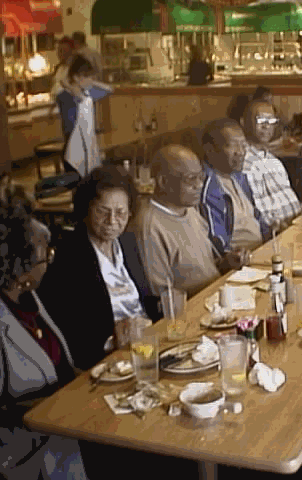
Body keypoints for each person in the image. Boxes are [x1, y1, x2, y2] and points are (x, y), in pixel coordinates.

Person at [0, 178, 89, 479]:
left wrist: (91, 382)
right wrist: (63, 404)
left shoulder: (30, 298)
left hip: (64, 446)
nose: (50, 261)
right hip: (24, 460)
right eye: (45, 257)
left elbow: (61, 366)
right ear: (19, 270)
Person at [37, 165, 160, 371]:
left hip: (145, 343)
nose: (112, 221)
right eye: (103, 211)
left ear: (130, 212)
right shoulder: (70, 256)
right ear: (87, 208)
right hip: (107, 359)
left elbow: (144, 298)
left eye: (120, 213)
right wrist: (112, 340)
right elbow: (70, 333)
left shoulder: (127, 242)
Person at [134, 145, 242, 298]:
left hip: (219, 292)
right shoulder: (150, 226)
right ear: (163, 182)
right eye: (191, 179)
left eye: (201, 177)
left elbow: (206, 266)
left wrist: (227, 263)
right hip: (196, 306)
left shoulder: (189, 208)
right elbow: (163, 297)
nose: (199, 185)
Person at [201, 118, 270, 253]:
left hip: (262, 250)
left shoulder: (239, 177)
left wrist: (272, 232)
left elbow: (255, 216)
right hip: (242, 263)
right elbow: (217, 244)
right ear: (210, 150)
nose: (241, 152)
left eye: (243, 145)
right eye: (233, 145)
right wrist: (234, 259)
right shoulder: (208, 187)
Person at [242, 99, 302, 229]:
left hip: (297, 226)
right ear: (243, 122)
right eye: (260, 120)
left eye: (271, 121)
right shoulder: (243, 164)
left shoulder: (274, 161)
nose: (266, 126)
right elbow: (256, 216)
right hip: (276, 236)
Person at [57, 55, 113, 176]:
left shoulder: (88, 92)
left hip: (90, 149)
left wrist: (92, 82)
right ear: (76, 77)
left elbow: (109, 89)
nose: (90, 80)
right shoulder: (64, 97)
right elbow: (70, 123)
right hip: (73, 152)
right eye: (87, 77)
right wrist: (70, 87)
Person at [50, 37, 74, 107]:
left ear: (71, 51)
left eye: (62, 50)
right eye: (58, 50)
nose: (59, 53)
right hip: (58, 106)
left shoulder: (75, 68)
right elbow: (54, 87)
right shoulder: (58, 68)